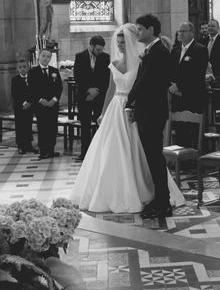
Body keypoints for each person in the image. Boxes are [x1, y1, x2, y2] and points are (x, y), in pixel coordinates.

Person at [70, 23, 184, 213]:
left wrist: (135, 107)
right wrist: (103, 112)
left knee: (137, 151)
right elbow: (110, 90)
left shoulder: (141, 63)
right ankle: (110, 192)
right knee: (109, 151)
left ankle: (144, 191)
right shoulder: (114, 63)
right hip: (115, 108)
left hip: (134, 110)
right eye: (119, 42)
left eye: (124, 42)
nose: (121, 45)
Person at [126, 14, 177, 219]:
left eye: (140, 29)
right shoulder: (151, 51)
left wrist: (129, 100)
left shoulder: (158, 52)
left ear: (151, 30)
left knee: (155, 158)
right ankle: (159, 198)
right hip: (147, 111)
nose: (137, 32)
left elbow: (146, 82)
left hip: (153, 112)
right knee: (152, 158)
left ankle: (163, 203)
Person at [73, 36, 110, 161]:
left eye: (101, 50)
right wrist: (88, 90)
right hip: (84, 96)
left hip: (99, 97)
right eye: (98, 49)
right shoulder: (80, 56)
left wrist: (96, 91)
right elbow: (77, 76)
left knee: (100, 124)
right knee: (85, 126)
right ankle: (85, 154)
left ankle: (100, 153)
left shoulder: (105, 58)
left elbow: (106, 78)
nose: (100, 52)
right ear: (91, 45)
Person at [28, 49, 63, 160]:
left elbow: (59, 87)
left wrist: (54, 100)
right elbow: (32, 88)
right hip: (40, 105)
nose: (46, 58)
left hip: (53, 105)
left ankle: (51, 150)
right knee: (42, 127)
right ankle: (43, 151)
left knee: (52, 127)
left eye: (48, 57)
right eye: (44, 56)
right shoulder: (33, 72)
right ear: (39, 57)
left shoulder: (54, 71)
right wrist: (40, 100)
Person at [169, 21, 209, 113]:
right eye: (180, 31)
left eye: (184, 31)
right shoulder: (175, 50)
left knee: (192, 126)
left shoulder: (200, 49)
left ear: (192, 32)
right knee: (177, 126)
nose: (181, 33)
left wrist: (179, 86)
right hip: (176, 97)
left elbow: (197, 74)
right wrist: (171, 86)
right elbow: (170, 71)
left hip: (193, 96)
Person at [11, 59, 35, 155]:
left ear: (28, 67)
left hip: (30, 106)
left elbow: (33, 91)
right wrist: (24, 103)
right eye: (20, 67)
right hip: (20, 107)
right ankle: (21, 145)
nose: (23, 69)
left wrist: (30, 102)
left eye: (24, 67)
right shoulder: (15, 79)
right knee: (20, 125)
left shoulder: (31, 78)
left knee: (28, 125)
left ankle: (29, 145)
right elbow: (15, 94)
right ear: (18, 69)